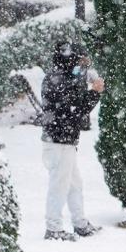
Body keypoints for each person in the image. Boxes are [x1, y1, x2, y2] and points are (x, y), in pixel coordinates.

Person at [40, 41, 105, 241]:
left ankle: (79, 222)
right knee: (59, 184)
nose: (82, 67)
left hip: (65, 140)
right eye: (79, 62)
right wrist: (94, 93)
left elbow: (75, 105)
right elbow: (75, 110)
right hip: (59, 141)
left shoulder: (62, 77)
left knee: (74, 184)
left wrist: (91, 86)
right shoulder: (58, 80)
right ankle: (53, 227)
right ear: (69, 60)